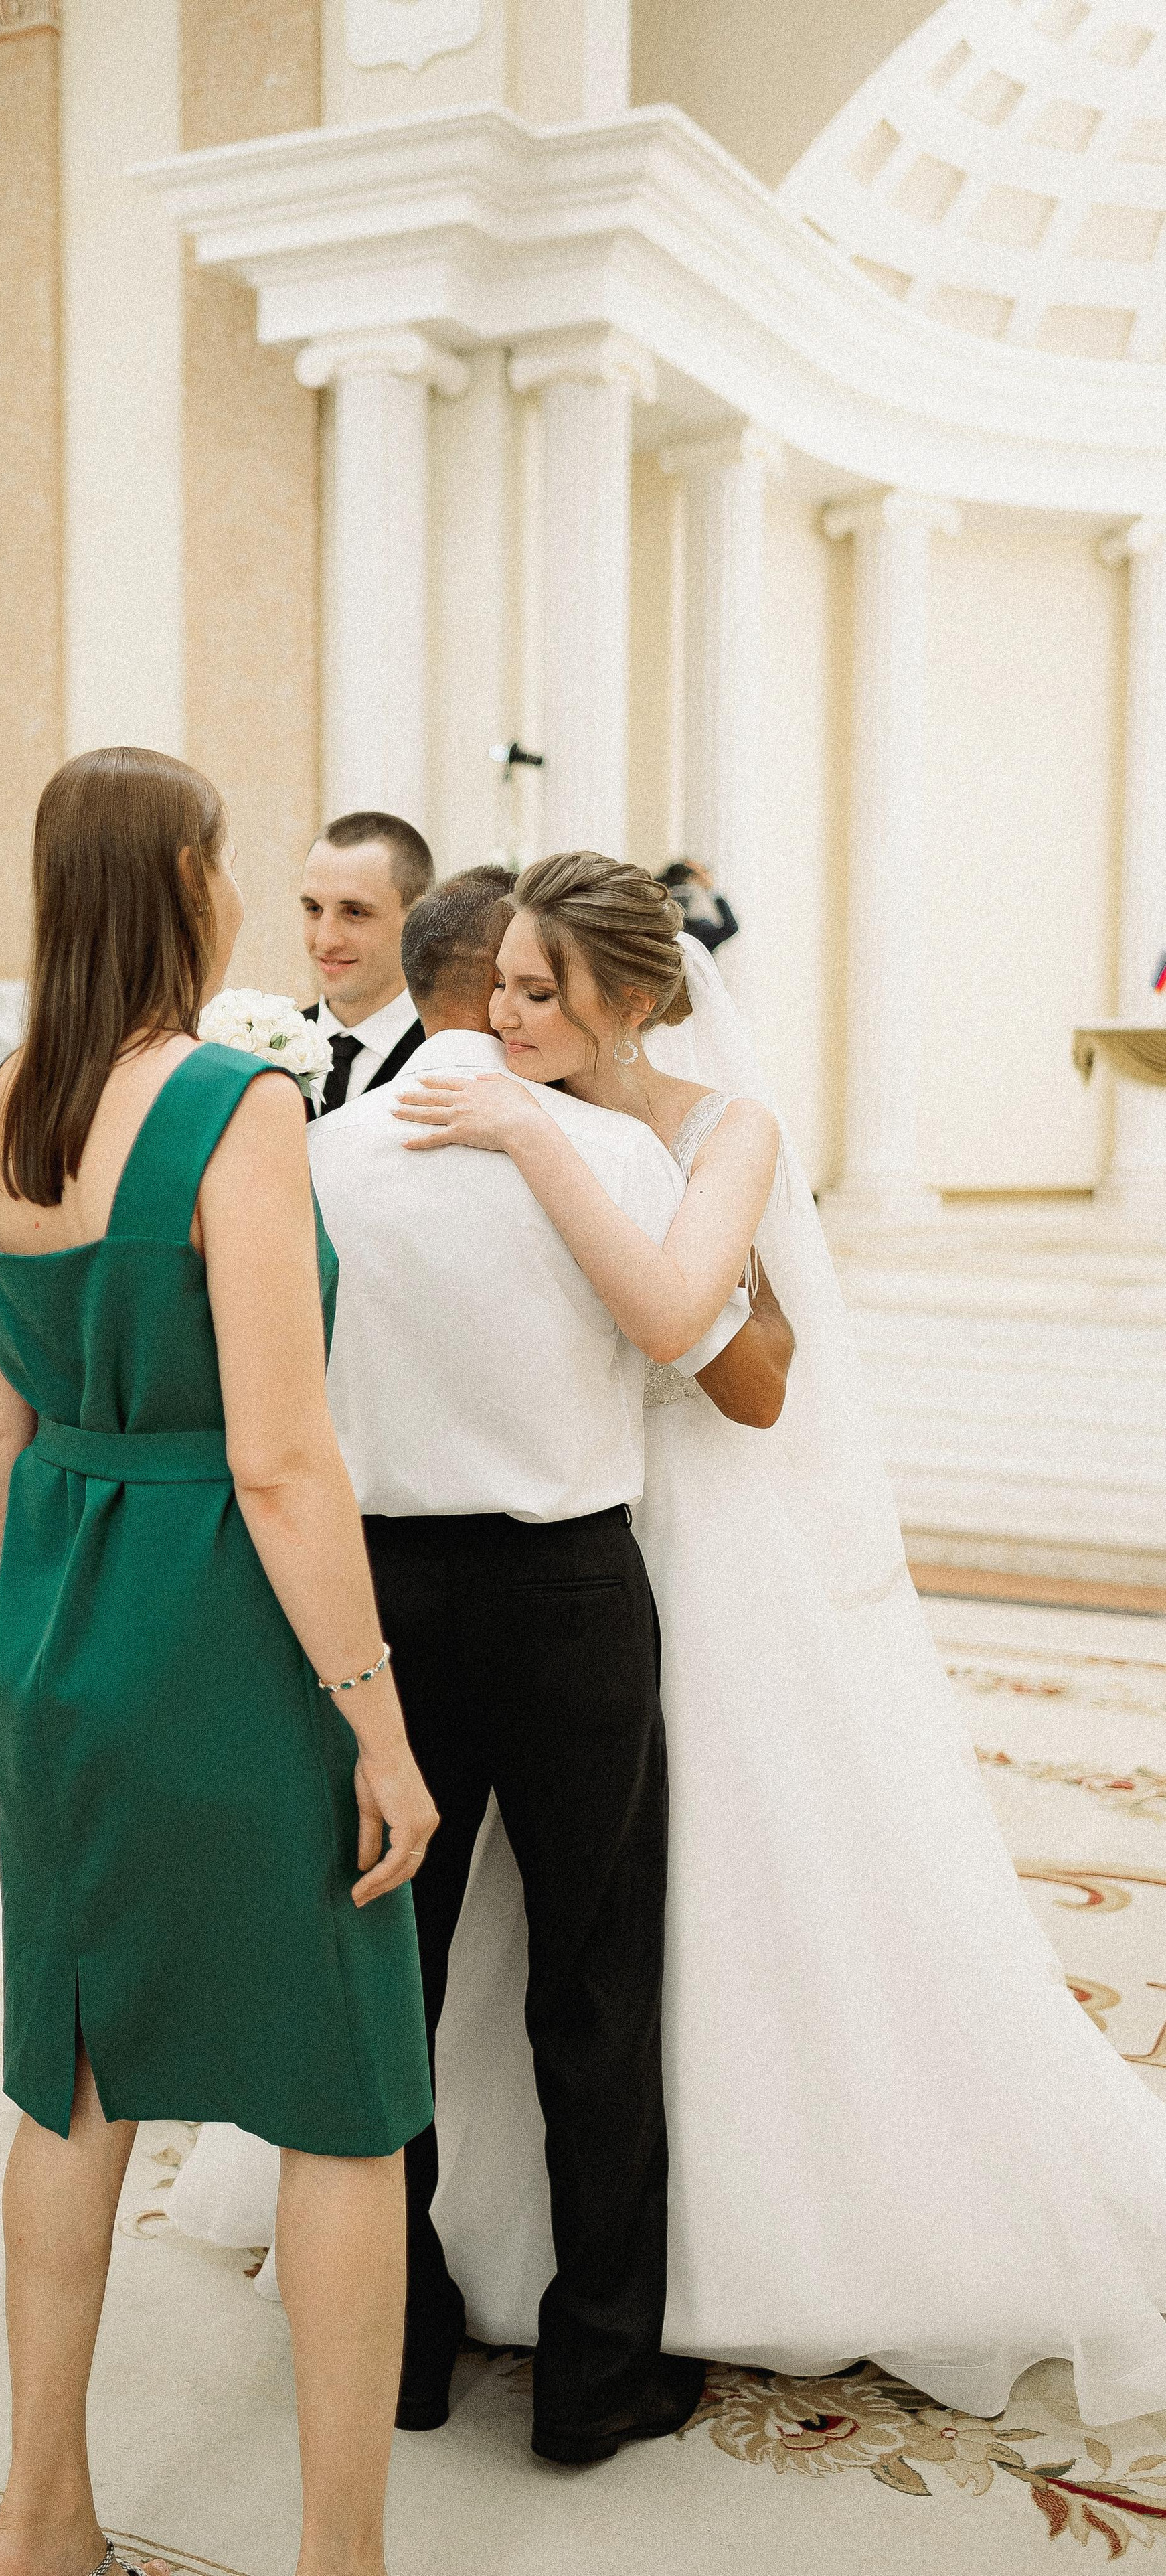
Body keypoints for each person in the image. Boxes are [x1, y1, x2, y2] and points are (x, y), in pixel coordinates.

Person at [392, 850, 1166, 2429]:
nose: (505, 1014)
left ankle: (729, 2247)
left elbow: (727, 1357)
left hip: (694, 1543)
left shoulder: (716, 1129)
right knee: (515, 1919)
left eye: (540, 990)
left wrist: (538, 1146)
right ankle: (489, 2237)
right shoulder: (494, 1112)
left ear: (634, 1000)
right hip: (539, 1545)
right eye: (503, 986)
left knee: (714, 1890)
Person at [177, 864, 752, 2467]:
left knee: (385, 1981)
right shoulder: (618, 1152)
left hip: (372, 1607)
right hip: (567, 1594)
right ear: (497, 979)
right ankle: (596, 2369)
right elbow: (701, 1349)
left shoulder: (311, 1157)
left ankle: (403, 2343)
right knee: (592, 1980)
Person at [0, 745, 438, 2576]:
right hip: (232, 1637)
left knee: (73, 2077)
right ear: (179, 878)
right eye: (227, 857)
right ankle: (339, 2556)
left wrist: (50, 1644)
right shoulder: (236, 1105)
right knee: (344, 2098)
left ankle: (38, 2517)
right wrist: (377, 1726)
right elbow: (281, 1458)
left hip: (59, 1632)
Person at [299, 810, 434, 1115]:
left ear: (419, 918)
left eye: (355, 913)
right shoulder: (264, 1048)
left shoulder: (447, 1057)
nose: (325, 941)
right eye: (314, 909)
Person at [659, 858, 738, 955]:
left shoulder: (699, 931)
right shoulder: (696, 931)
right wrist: (711, 889)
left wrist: (710, 888)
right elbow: (731, 928)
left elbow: (731, 928)